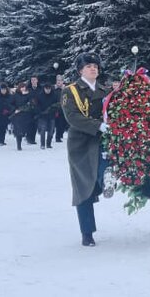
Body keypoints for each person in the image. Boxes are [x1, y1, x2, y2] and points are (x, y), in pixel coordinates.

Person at [62, 52, 110, 247]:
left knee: (104, 169)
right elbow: (72, 117)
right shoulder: (70, 91)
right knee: (83, 188)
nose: (93, 68)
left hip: (99, 141)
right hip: (80, 144)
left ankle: (106, 181)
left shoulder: (103, 90)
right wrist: (97, 125)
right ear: (80, 70)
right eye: (89, 66)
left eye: (95, 66)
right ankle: (87, 233)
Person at [11, 82, 36, 151]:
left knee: (25, 130)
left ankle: (27, 138)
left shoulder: (28, 95)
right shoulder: (15, 95)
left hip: (26, 115)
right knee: (19, 131)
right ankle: (19, 145)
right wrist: (14, 109)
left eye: (24, 87)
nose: (23, 88)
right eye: (22, 87)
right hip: (17, 115)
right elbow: (11, 104)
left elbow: (31, 103)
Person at [34, 81, 58, 149]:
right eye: (46, 89)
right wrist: (40, 112)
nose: (47, 90)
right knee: (43, 130)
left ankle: (48, 144)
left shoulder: (54, 95)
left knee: (51, 131)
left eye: (49, 89)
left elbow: (57, 105)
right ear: (44, 89)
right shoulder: (40, 95)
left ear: (51, 89)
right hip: (42, 116)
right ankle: (42, 144)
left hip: (51, 115)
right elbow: (37, 105)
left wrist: (54, 111)